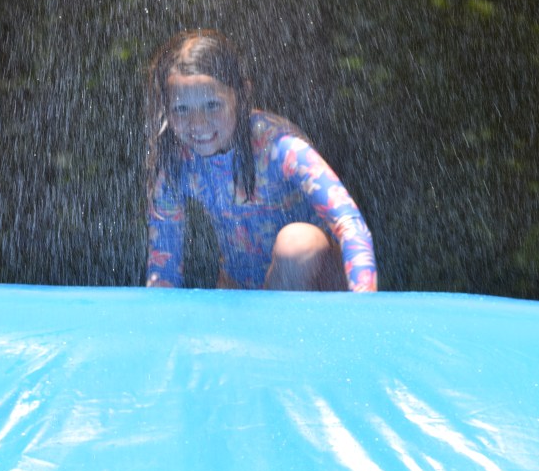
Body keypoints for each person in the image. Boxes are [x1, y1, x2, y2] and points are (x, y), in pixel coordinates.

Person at [145, 30, 377, 292]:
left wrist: (362, 303)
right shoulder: (178, 163)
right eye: (181, 109)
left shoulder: (278, 145)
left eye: (212, 105)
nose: (197, 123)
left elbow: (350, 223)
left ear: (242, 94)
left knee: (298, 241)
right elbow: (163, 266)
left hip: (319, 289)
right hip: (243, 289)